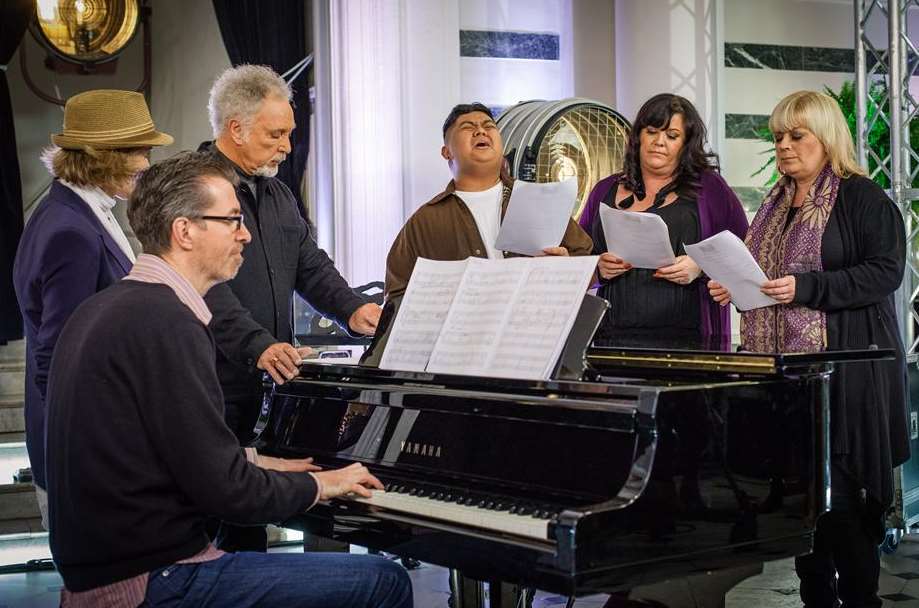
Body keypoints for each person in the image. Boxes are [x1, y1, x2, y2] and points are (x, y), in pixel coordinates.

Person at [44, 151, 413, 608]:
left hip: (100, 576)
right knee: (385, 580)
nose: (246, 235)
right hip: (158, 580)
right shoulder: (169, 323)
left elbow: (163, 453)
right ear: (184, 231)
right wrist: (327, 484)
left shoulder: (106, 310)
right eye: (232, 220)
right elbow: (231, 494)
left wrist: (260, 460)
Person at [708, 90, 909, 608]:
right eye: (778, 137)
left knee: (843, 506)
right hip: (790, 382)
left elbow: (885, 272)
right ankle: (815, 601)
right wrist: (737, 286)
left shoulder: (862, 197)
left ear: (827, 138)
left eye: (797, 136)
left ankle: (862, 602)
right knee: (802, 508)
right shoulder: (774, 203)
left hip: (846, 376)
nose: (785, 146)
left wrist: (806, 287)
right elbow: (766, 277)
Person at [202, 65, 381, 550]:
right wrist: (257, 343)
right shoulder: (194, 187)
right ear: (235, 129)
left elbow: (308, 262)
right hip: (212, 383)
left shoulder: (277, 192)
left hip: (269, 385)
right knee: (216, 533)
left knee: (250, 529)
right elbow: (201, 284)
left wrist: (354, 309)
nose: (286, 147)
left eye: (288, 134)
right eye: (275, 134)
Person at [12, 89, 172, 528]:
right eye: (140, 151)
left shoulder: (67, 212)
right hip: (83, 453)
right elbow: (57, 356)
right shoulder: (71, 230)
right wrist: (93, 451)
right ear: (105, 157)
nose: (146, 163)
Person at [577, 93, 748, 347]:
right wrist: (597, 268)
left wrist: (700, 265)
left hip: (691, 339)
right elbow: (579, 259)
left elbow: (747, 249)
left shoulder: (710, 188)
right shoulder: (604, 189)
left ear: (686, 144)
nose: (659, 142)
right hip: (611, 336)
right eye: (651, 131)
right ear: (638, 137)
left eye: (671, 136)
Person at [383, 102, 593, 302]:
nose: (481, 131)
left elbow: (587, 264)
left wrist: (565, 268)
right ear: (446, 152)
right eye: (468, 127)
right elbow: (397, 296)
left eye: (488, 126)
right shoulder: (425, 221)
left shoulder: (539, 200)